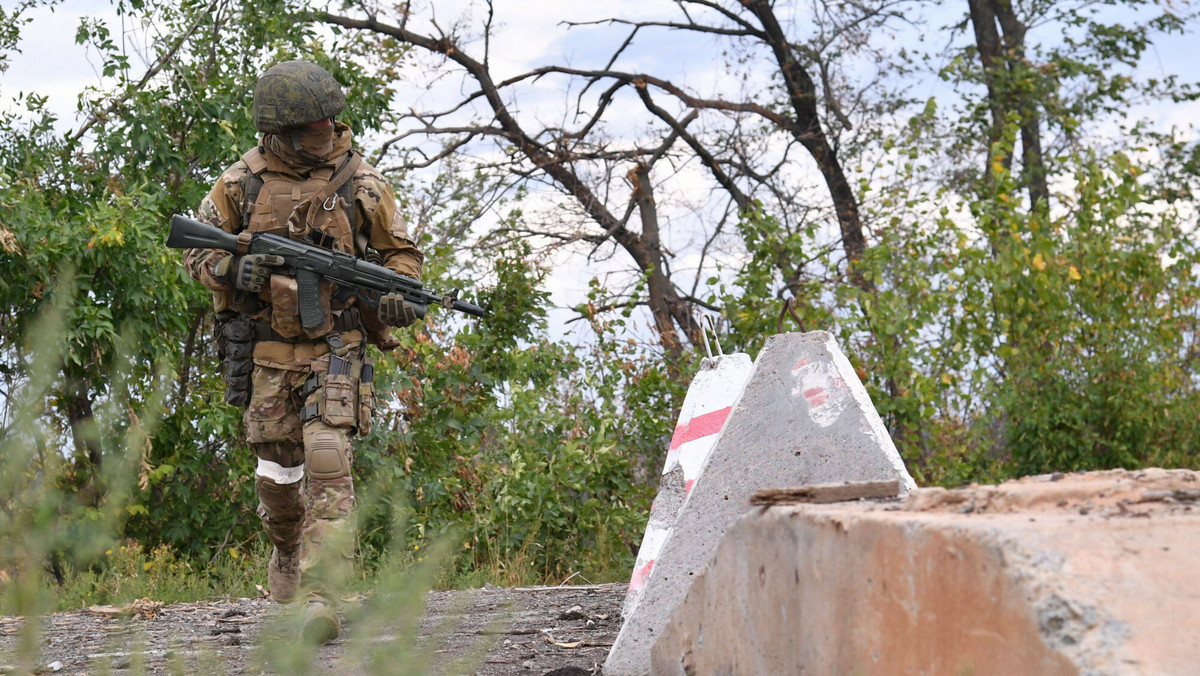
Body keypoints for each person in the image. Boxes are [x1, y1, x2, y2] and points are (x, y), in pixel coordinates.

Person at [182, 60, 424, 642]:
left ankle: (322, 597)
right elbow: (195, 253)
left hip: (336, 346)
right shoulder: (241, 183)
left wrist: (396, 298)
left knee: (326, 460)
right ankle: (286, 548)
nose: (327, 133)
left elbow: (404, 260)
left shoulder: (363, 184)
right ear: (281, 131)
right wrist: (234, 268)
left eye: (329, 124)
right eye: (314, 127)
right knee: (276, 475)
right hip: (267, 351)